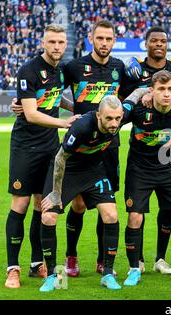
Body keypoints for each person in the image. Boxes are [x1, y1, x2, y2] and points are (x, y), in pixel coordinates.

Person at [5, 24, 78, 289]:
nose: (57, 46)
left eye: (61, 42)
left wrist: (76, 106)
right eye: (52, 42)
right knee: (20, 205)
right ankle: (13, 269)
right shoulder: (29, 70)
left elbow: (54, 99)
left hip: (50, 149)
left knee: (42, 204)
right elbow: (32, 113)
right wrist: (65, 123)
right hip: (25, 148)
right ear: (43, 42)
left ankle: (37, 264)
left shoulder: (61, 72)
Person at [120, 70, 171, 285]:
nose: (166, 94)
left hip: (168, 168)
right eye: (161, 89)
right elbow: (115, 116)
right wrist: (139, 94)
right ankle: (134, 269)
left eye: (170, 89)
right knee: (135, 217)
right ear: (152, 90)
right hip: (139, 170)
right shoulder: (138, 110)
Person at [39, 95, 124, 292]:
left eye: (118, 119)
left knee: (111, 215)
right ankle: (52, 274)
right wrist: (56, 194)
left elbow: (134, 97)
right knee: (49, 216)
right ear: (98, 115)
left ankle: (108, 274)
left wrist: (146, 92)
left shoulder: (119, 116)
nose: (114, 124)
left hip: (94, 171)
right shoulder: (82, 127)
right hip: (68, 170)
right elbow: (60, 158)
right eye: (109, 118)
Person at [61, 20, 126, 277]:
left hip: (109, 145)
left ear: (114, 40)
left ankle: (102, 259)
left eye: (109, 39)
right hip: (81, 147)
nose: (104, 43)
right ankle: (71, 256)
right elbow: (54, 91)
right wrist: (73, 110)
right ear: (91, 38)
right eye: (100, 38)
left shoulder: (119, 68)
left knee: (106, 203)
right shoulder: (75, 67)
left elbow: (130, 98)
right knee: (77, 205)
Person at [122, 26, 171, 275]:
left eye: (163, 40)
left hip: (169, 155)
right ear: (146, 43)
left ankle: (161, 258)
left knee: (170, 209)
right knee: (136, 213)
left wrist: (168, 95)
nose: (159, 44)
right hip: (141, 156)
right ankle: (136, 262)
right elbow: (121, 101)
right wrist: (143, 92)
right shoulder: (134, 70)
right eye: (154, 40)